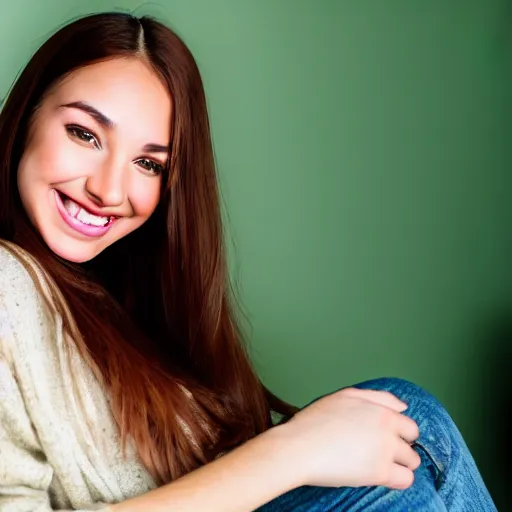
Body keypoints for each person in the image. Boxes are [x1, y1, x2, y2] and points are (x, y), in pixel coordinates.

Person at [0, 12, 497, 512]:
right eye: (85, 134)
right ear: (27, 118)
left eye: (148, 164)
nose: (108, 190)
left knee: (408, 420)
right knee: (405, 448)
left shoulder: (118, 300)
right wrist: (292, 452)